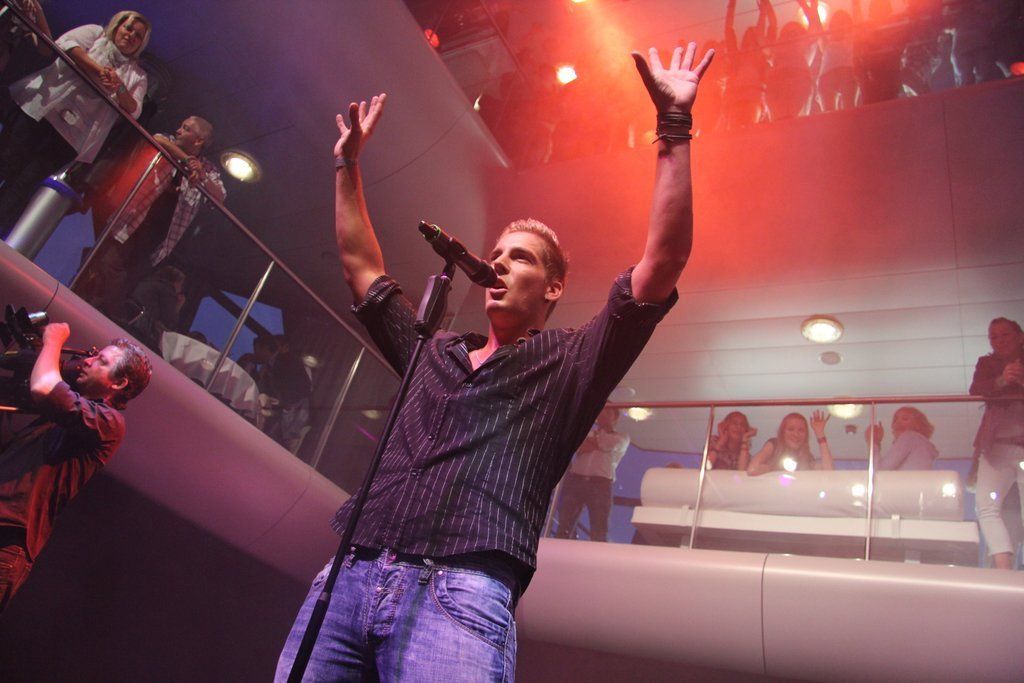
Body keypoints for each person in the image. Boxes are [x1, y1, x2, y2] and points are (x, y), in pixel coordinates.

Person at [275, 41, 714, 681]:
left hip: (459, 592)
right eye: (498, 254)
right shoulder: (433, 351)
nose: (500, 264)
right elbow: (363, 270)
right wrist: (347, 166)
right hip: (349, 573)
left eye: (522, 258)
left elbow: (662, 264)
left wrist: (674, 125)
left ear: (554, 287)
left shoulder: (570, 362)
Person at [0, 322, 151, 612]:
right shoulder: (66, 414)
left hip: (7, 540)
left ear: (119, 383)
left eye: (101, 361)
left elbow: (44, 387)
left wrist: (54, 340)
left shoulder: (109, 422)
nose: (89, 361)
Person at [0, 11, 151, 236]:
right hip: (40, 113)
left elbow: (134, 109)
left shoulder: (137, 76)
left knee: (23, 186)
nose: (130, 36)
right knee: (5, 161)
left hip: (69, 138)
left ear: (141, 44)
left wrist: (119, 86)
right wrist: (99, 72)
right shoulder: (95, 34)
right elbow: (66, 44)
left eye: (138, 36)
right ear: (117, 26)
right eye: (128, 28)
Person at [78, 115, 225, 322]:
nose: (179, 130)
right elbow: (158, 140)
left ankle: (102, 314)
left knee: (129, 275)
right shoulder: (169, 141)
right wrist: (186, 161)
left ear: (199, 140)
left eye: (186, 128)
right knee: (109, 264)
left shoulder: (207, 169)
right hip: (133, 220)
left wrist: (201, 175)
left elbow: (220, 196)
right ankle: (108, 315)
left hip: (159, 235)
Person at [970, 317, 1024, 570]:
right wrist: (1002, 379)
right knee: (985, 506)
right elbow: (976, 389)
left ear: (1020, 337)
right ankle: (1003, 566)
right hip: (996, 445)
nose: (999, 341)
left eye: (1005, 335)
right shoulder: (987, 363)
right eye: (994, 337)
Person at [554, 406, 630, 542]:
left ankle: (596, 554)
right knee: (565, 523)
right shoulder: (586, 432)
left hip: (600, 483)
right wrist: (596, 444)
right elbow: (576, 446)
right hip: (576, 480)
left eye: (608, 411)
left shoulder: (622, 437)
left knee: (599, 528)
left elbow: (607, 444)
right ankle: (560, 550)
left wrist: (593, 442)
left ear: (616, 417)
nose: (603, 414)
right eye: (601, 410)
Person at [747, 410, 834, 476]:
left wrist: (820, 433)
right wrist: (774, 468)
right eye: (791, 429)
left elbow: (829, 472)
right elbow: (752, 469)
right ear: (782, 432)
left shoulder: (807, 456)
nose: (796, 434)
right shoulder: (774, 445)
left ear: (806, 435)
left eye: (801, 430)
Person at [866, 406, 938, 470]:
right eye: (895, 420)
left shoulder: (909, 437)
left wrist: (873, 441)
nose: (897, 424)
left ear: (918, 424)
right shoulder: (922, 447)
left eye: (905, 419)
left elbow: (879, 471)